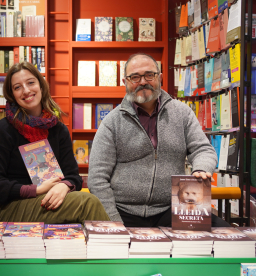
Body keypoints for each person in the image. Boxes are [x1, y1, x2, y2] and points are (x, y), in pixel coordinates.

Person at [88, 53, 230, 228]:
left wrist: (201, 168)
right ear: (125, 82)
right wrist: (114, 222)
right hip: (123, 212)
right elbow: (97, 178)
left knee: (227, 235)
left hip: (174, 207)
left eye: (149, 75)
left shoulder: (182, 113)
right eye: (135, 77)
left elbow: (203, 149)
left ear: (160, 77)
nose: (142, 82)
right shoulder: (112, 122)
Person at [0, 61, 109, 224]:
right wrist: (35, 190)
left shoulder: (58, 129)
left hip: (49, 199)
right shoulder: (4, 129)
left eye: (30, 83)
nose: (26, 90)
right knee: (87, 203)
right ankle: (114, 246)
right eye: (17, 87)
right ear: (12, 95)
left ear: (41, 86)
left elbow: (74, 177)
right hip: (10, 206)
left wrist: (64, 186)